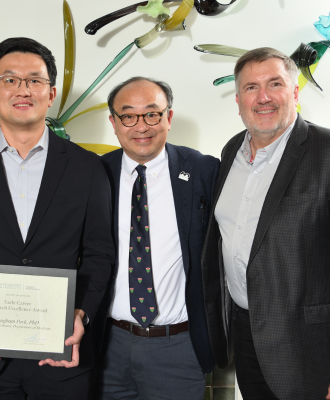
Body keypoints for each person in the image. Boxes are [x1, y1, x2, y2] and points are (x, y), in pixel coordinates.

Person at [0, 37, 114, 400]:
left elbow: (100, 253)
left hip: (63, 353)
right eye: (10, 79)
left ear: (51, 92)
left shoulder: (87, 168)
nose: (23, 89)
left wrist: (81, 314)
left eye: (35, 80)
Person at [201, 47, 330, 400]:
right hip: (246, 333)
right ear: (239, 100)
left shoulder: (326, 151)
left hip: (308, 343)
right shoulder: (230, 152)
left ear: (294, 92)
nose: (264, 97)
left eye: (275, 83)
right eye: (251, 87)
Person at [91, 77, 219, 399]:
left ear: (169, 118)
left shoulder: (204, 171)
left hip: (178, 346)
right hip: (109, 344)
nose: (141, 126)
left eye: (152, 114)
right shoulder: (95, 174)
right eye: (128, 116)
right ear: (114, 123)